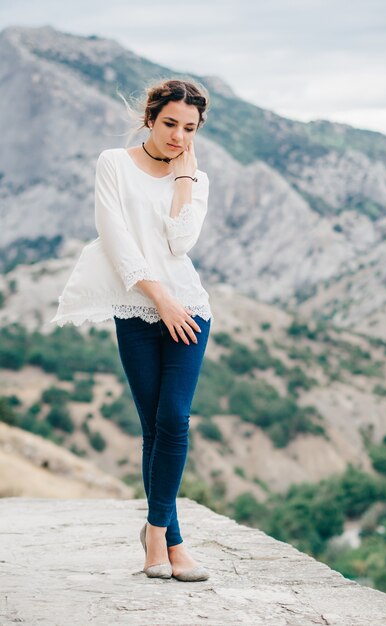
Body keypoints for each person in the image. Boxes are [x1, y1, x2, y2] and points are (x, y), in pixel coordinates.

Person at [49, 78, 213, 582]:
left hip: (189, 310)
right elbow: (115, 239)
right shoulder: (113, 164)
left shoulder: (197, 179)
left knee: (176, 420)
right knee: (153, 429)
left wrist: (184, 181)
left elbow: (180, 243)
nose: (178, 137)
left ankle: (157, 536)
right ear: (149, 119)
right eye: (170, 124)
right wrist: (158, 298)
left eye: (189, 128)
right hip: (140, 308)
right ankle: (172, 540)